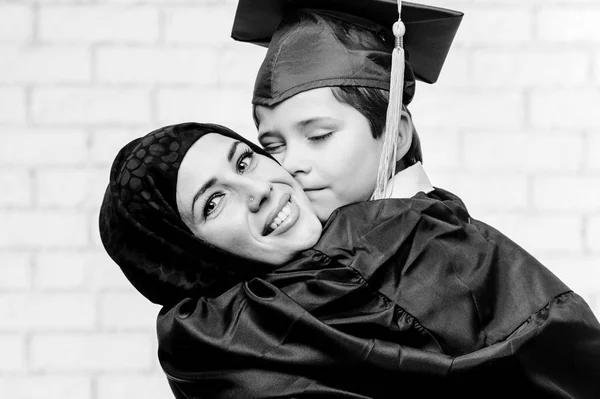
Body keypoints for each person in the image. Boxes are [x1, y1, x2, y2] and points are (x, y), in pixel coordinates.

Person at [100, 122, 600, 398]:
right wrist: (408, 211)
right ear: (183, 257)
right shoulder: (217, 342)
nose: (257, 191)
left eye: (245, 159)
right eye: (213, 202)